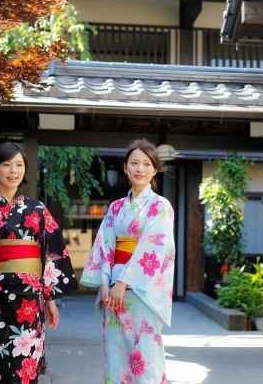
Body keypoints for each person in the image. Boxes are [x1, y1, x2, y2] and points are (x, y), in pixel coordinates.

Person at [0, 142, 76, 384]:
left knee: (25, 366)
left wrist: (50, 298)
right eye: (6, 164)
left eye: (19, 165)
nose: (13, 171)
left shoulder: (37, 210)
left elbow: (53, 251)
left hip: (30, 298)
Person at [81, 139, 175, 384]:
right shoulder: (116, 208)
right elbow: (105, 246)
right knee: (115, 356)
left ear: (155, 170)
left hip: (142, 292)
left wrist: (124, 281)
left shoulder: (160, 206)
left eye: (146, 163)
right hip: (113, 293)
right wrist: (105, 283)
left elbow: (154, 247)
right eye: (134, 163)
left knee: (145, 356)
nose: (140, 169)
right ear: (125, 167)